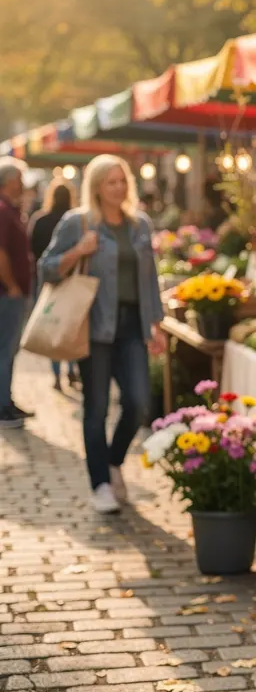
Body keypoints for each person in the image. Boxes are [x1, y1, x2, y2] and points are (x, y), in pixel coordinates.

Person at [39, 155, 167, 514]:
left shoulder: (139, 224)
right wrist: (78, 251)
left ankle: (112, 461)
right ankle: (100, 484)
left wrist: (156, 325)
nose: (119, 187)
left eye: (122, 180)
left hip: (131, 327)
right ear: (96, 186)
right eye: (111, 182)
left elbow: (150, 279)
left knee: (139, 402)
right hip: (93, 326)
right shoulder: (77, 223)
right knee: (94, 408)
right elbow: (46, 268)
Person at [29, 180, 79, 391]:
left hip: (47, 282)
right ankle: (71, 370)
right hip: (73, 281)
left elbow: (31, 250)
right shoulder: (76, 221)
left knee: (52, 326)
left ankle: (57, 374)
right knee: (73, 327)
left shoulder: (40, 220)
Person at [0, 158, 33, 428]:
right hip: (6, 294)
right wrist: (11, 285)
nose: (22, 185)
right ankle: (2, 405)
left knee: (9, 350)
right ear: (10, 181)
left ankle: (6, 400)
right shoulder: (1, 209)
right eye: (20, 180)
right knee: (5, 349)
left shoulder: (9, 209)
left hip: (12, 292)